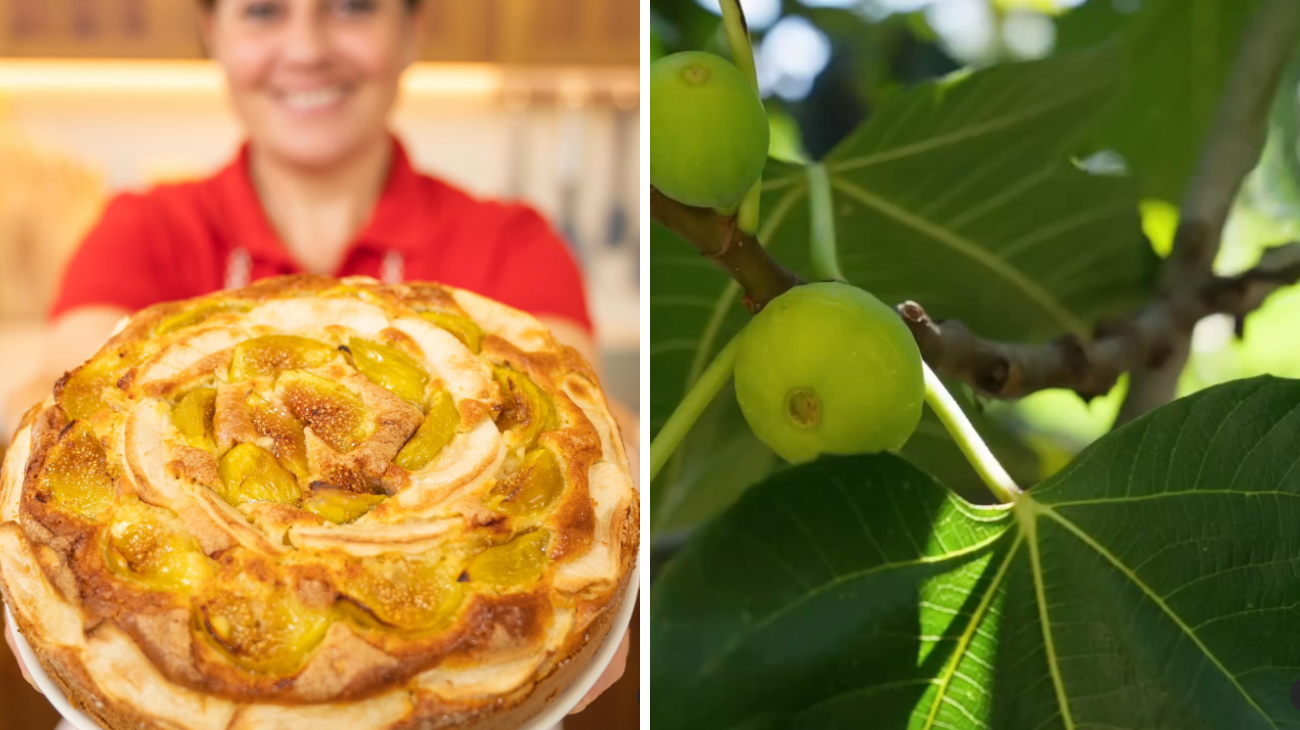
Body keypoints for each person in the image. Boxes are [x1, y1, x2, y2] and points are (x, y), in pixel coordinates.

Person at [1, 0, 631, 720]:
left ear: (412, 30)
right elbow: (58, 400)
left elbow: (591, 434)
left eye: (352, 7)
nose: (307, 48)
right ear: (215, 33)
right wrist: (28, 575)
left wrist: (613, 578)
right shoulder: (142, 231)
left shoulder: (513, 244)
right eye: (264, 12)